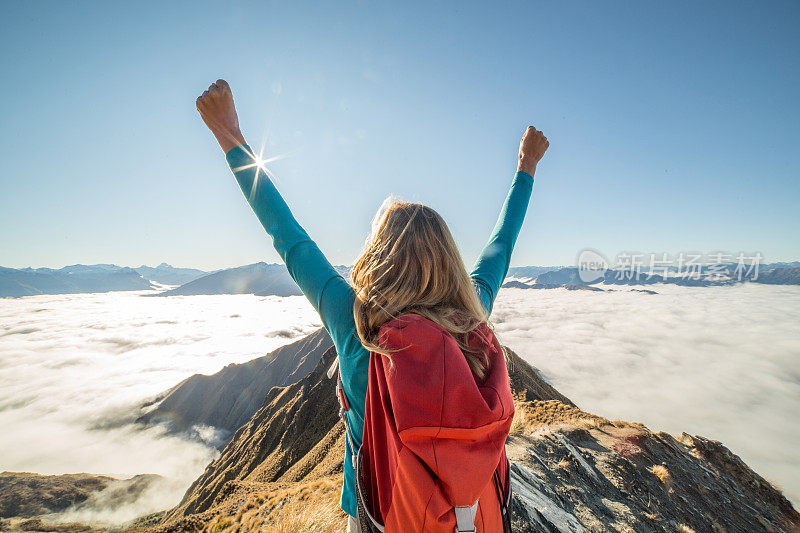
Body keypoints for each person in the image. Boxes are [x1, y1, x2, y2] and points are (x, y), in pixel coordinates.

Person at [196, 79, 549, 532]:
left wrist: (230, 137)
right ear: (447, 257)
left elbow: (290, 239)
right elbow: (500, 246)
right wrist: (527, 166)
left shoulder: (355, 322)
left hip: (377, 516)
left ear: (377, 256)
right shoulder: (470, 314)